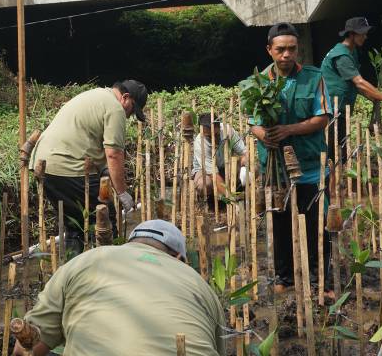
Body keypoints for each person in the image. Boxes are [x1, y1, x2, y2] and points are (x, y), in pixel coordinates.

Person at [12, 220, 225, 356]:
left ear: (129, 245)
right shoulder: (200, 285)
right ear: (179, 258)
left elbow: (28, 348)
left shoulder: (85, 261)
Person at [247, 22, 332, 295]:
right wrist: (262, 134)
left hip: (309, 165)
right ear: (269, 50)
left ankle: (321, 280)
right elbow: (252, 122)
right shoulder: (257, 82)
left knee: (317, 224)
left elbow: (323, 118)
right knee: (281, 225)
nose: (286, 55)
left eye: (292, 49)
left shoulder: (314, 77)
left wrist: (289, 129)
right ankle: (285, 279)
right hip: (275, 168)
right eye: (280, 49)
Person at [30, 81, 147, 253]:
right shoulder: (115, 108)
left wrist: (103, 169)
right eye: (131, 110)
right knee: (105, 217)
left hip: (44, 165)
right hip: (68, 165)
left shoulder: (96, 95)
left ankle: (74, 265)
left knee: (75, 225)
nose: (129, 116)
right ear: (125, 97)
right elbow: (113, 154)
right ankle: (109, 265)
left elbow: (87, 140)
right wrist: (122, 192)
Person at [320, 17, 382, 161]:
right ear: (352, 34)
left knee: (340, 148)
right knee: (332, 153)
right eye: (362, 33)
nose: (365, 37)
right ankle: (331, 180)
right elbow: (358, 82)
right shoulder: (341, 55)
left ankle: (340, 175)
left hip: (341, 109)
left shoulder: (350, 51)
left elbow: (355, 85)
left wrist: (375, 98)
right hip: (332, 111)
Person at [192, 113, 248, 197]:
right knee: (204, 184)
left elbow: (244, 153)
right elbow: (213, 174)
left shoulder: (227, 130)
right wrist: (229, 198)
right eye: (208, 136)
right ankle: (212, 200)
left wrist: (244, 167)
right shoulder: (200, 142)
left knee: (254, 168)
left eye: (215, 134)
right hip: (205, 172)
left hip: (225, 166)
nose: (212, 138)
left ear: (219, 127)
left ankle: (237, 191)